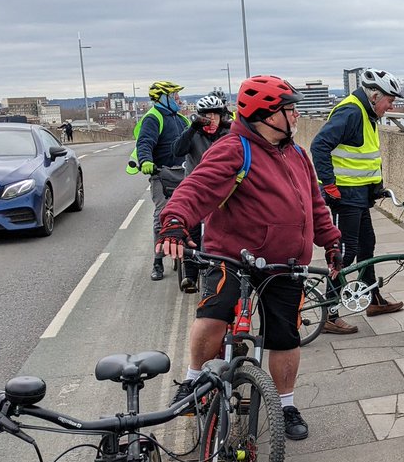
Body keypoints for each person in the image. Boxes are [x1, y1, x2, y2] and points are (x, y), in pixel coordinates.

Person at [157, 75, 342, 441]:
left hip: (285, 262)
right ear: (267, 115)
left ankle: (285, 404)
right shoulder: (233, 148)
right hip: (233, 256)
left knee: (285, 336)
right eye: (289, 109)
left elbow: (314, 204)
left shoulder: (297, 154)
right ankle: (193, 379)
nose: (296, 116)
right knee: (213, 315)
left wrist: (331, 242)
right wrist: (175, 222)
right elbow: (196, 187)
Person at [310, 68, 404, 334]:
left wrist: (375, 188)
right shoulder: (351, 111)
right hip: (345, 195)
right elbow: (319, 145)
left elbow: (365, 157)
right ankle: (329, 313)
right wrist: (329, 184)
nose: (391, 106)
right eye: (390, 101)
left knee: (367, 244)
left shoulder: (367, 113)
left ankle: (373, 299)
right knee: (346, 251)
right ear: (375, 96)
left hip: (359, 195)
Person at [172, 93, 233, 293]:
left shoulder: (229, 133)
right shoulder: (194, 134)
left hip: (222, 189)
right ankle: (190, 275)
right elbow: (177, 150)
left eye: (215, 115)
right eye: (206, 115)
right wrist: (192, 128)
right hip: (196, 189)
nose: (211, 119)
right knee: (192, 229)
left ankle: (227, 268)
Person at [136, 80, 191, 282]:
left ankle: (193, 256)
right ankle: (158, 261)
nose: (179, 99)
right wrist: (145, 161)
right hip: (162, 173)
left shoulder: (181, 119)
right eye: (175, 96)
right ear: (163, 98)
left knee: (194, 213)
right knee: (162, 215)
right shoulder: (153, 117)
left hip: (185, 173)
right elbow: (144, 143)